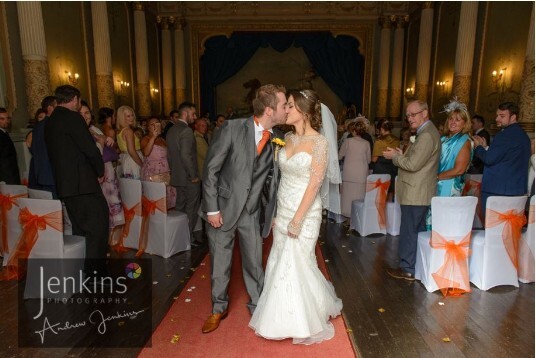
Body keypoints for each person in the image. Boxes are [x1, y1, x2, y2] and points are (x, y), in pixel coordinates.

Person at [249, 89, 342, 345]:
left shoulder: (319, 143)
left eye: (290, 106)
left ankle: (302, 319)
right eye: (286, 105)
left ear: (304, 111)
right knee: (280, 259)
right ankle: (279, 316)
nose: (285, 110)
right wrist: (277, 213)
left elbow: (314, 184)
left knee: (299, 260)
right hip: (283, 207)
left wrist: (297, 219)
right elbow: (278, 180)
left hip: (305, 211)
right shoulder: (286, 138)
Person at [200, 84, 288, 334]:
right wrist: (212, 209)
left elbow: (271, 178)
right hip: (223, 208)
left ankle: (258, 306)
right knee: (220, 263)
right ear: (269, 110)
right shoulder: (232, 128)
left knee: (254, 262)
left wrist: (270, 212)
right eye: (283, 105)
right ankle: (218, 308)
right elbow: (211, 170)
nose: (286, 109)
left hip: (251, 212)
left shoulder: (277, 137)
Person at [45, 85, 109, 278]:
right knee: (98, 227)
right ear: (74, 99)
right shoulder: (73, 118)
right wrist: (100, 170)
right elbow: (89, 148)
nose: (79, 104)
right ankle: (95, 274)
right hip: (83, 184)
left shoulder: (51, 121)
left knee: (81, 229)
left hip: (67, 186)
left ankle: (84, 272)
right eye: (79, 101)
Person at [383, 100, 440, 281]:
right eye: (407, 115)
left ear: (425, 113)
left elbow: (413, 164)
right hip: (419, 191)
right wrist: (402, 153)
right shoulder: (426, 132)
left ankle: (407, 268)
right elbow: (416, 159)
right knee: (416, 230)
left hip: (416, 192)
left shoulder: (426, 135)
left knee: (409, 231)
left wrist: (395, 158)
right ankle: (417, 266)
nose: (409, 119)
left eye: (413, 114)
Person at [472, 102, 531, 218]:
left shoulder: (504, 135)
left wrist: (478, 147)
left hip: (497, 191)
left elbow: (489, 159)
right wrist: (485, 148)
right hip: (516, 191)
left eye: (502, 116)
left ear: (513, 117)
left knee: (491, 230)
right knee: (508, 231)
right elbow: (506, 158)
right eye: (497, 115)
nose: (497, 119)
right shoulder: (523, 136)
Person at [80, 102, 125, 245]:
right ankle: (103, 243)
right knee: (101, 209)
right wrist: (100, 142)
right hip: (94, 175)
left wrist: (105, 140)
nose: (85, 116)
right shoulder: (79, 132)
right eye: (81, 113)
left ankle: (113, 242)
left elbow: (107, 148)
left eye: (87, 113)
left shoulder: (93, 129)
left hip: (107, 172)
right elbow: (93, 155)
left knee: (113, 205)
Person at [425, 98, 472, 230]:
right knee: (432, 218)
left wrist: (436, 177)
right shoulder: (444, 139)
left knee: (443, 222)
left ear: (465, 123)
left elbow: (459, 170)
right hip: (436, 183)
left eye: (458, 119)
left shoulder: (464, 141)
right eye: (451, 118)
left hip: (450, 186)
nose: (453, 122)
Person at [167, 102, 200, 236]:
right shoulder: (186, 130)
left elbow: (169, 155)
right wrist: (193, 176)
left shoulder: (172, 130)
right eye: (193, 114)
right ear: (185, 113)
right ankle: (188, 238)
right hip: (188, 177)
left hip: (178, 176)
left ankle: (179, 238)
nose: (195, 117)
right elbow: (186, 156)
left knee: (180, 208)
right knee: (191, 208)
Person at [141, 117, 176, 209]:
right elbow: (146, 153)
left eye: (157, 124)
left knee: (166, 201)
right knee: (154, 201)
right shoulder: (145, 139)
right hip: (153, 173)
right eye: (152, 125)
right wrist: (153, 137)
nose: (155, 126)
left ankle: (164, 222)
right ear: (148, 127)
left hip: (165, 172)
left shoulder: (163, 139)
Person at [338, 121, 371, 219]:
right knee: (359, 196)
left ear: (354, 130)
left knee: (347, 196)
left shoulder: (348, 141)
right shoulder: (366, 143)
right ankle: (358, 216)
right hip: (361, 173)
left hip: (349, 173)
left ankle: (347, 216)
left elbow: (340, 156)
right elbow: (369, 160)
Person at [29, 96, 57, 197]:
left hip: (43, 175)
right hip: (53, 175)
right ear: (50, 108)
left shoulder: (39, 126)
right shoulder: (51, 124)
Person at [372, 120, 400, 200]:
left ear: (381, 129)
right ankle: (390, 210)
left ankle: (379, 211)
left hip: (381, 168)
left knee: (380, 191)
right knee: (390, 190)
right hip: (392, 166)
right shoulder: (396, 139)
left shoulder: (379, 141)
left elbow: (374, 159)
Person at [116, 105, 143, 179]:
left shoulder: (120, 131)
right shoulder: (128, 131)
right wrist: (142, 164)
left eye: (132, 115)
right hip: (133, 160)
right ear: (122, 118)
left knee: (128, 187)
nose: (132, 118)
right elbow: (131, 151)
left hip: (124, 159)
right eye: (128, 116)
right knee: (136, 187)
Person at [0, 108, 20, 185]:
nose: (6, 121)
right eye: (2, 119)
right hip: (6, 177)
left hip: (10, 174)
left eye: (7, 118)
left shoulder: (4, 133)